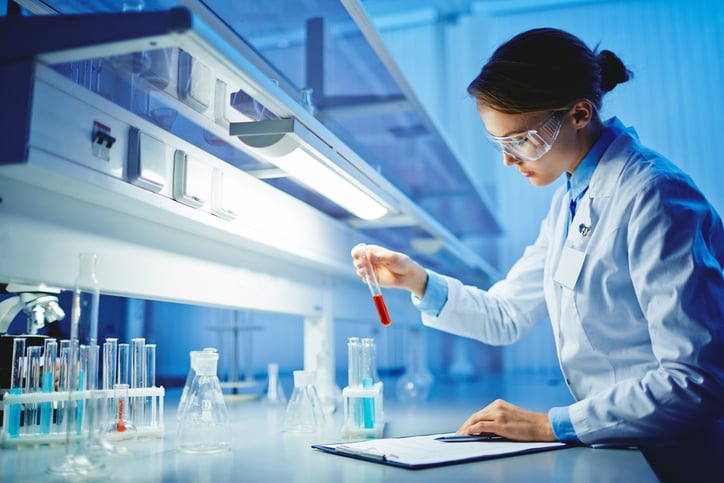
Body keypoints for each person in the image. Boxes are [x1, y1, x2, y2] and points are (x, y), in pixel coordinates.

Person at [351, 28, 723, 480]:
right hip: (619, 447)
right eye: (500, 143)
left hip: (673, 457)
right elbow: (507, 314)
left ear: (579, 113)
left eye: (521, 140)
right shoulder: (571, 199)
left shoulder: (655, 196)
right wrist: (418, 282)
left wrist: (548, 425)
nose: (509, 161)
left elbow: (695, 383)